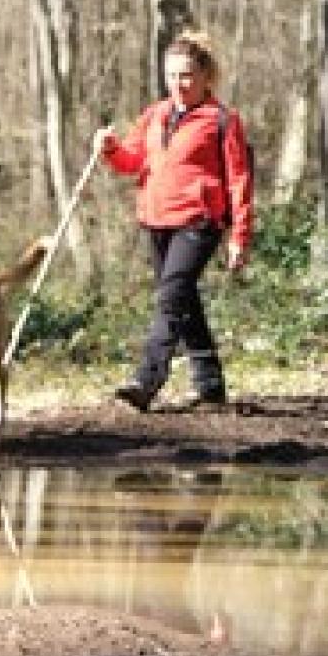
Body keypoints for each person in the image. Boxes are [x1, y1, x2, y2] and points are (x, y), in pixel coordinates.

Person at [93, 29, 252, 412]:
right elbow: (132, 161)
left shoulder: (222, 121)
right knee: (183, 299)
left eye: (187, 75)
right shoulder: (155, 114)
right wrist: (110, 150)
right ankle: (210, 384)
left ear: (205, 76)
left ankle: (146, 380)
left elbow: (239, 180)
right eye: (171, 76)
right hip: (156, 217)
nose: (178, 84)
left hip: (199, 220)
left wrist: (239, 236)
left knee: (170, 296)